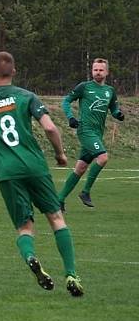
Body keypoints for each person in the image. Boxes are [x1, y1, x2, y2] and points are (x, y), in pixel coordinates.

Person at [0, 51, 83, 297]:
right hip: (34, 165)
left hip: (6, 171)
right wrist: (60, 154)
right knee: (56, 218)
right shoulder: (26, 96)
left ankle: (30, 256)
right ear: (14, 72)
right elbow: (49, 127)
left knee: (24, 226)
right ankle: (71, 273)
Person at [58, 58, 124, 209]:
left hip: (98, 132)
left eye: (101, 70)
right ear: (92, 71)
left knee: (80, 168)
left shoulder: (110, 91)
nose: (98, 72)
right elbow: (66, 101)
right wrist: (70, 117)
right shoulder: (84, 87)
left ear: (106, 72)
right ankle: (85, 191)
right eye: (95, 70)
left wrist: (118, 114)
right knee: (103, 157)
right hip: (85, 130)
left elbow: (113, 109)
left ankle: (59, 200)